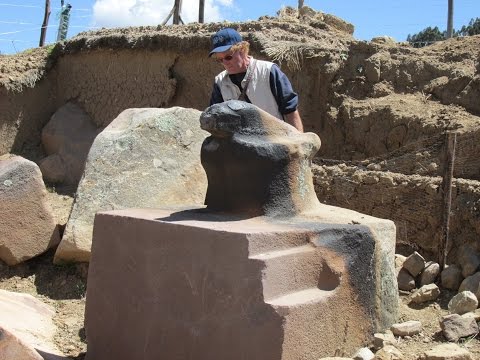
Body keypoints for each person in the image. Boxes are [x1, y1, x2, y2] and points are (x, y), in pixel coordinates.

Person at [209, 28, 304, 132]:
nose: (225, 63)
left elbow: (290, 110)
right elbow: (216, 117)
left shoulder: (268, 71)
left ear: (242, 50)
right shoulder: (220, 81)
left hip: (274, 140)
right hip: (240, 144)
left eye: (228, 57)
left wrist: (299, 143)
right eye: (220, 60)